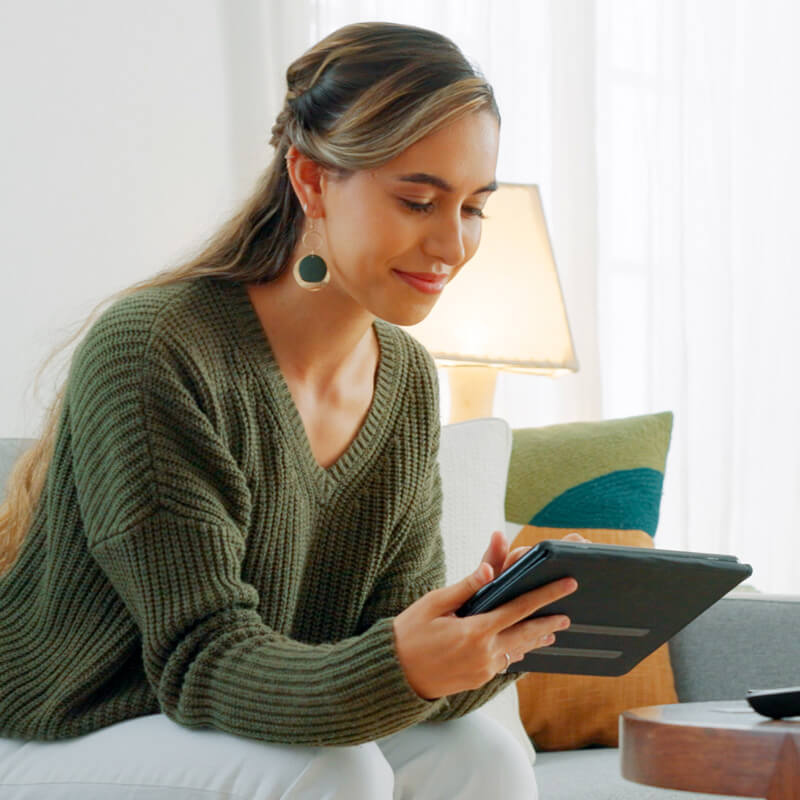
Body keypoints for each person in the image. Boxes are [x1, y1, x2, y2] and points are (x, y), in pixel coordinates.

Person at [0, 21, 578, 798]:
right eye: (418, 200)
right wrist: (405, 661)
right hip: (63, 729)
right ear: (310, 180)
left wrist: (495, 634)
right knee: (331, 767)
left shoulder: (402, 378)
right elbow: (200, 660)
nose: (451, 244)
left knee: (482, 755)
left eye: (475, 207)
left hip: (237, 723)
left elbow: (379, 645)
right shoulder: (157, 351)